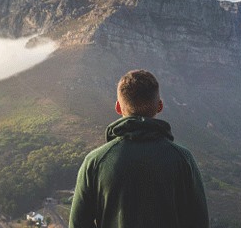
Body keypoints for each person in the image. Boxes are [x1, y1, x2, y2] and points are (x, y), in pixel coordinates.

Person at [69, 69, 209, 228]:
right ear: (160, 106)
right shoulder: (183, 159)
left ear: (118, 107)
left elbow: (78, 224)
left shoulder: (95, 162)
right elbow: (199, 222)